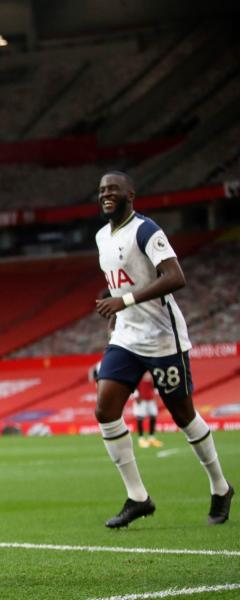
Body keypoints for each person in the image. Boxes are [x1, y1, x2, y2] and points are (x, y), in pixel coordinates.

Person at [93, 170, 232, 528]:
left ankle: (220, 486)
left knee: (183, 415)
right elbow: (121, 281)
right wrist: (114, 306)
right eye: (102, 190)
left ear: (130, 194)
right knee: (105, 409)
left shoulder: (145, 229)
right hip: (126, 337)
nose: (106, 194)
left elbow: (175, 277)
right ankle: (138, 497)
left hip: (162, 338)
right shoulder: (101, 237)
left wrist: (123, 300)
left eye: (113, 189)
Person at [132, 374, 162, 449]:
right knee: (140, 418)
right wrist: (136, 396)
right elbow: (133, 385)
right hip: (141, 399)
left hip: (151, 399)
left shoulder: (152, 372)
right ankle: (141, 439)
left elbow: (155, 386)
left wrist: (155, 395)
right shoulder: (138, 373)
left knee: (153, 416)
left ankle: (151, 438)